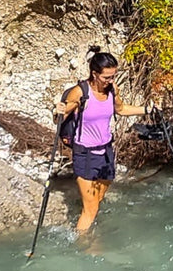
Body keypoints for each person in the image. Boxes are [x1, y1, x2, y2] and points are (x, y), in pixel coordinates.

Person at [56, 46, 151, 234]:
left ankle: (85, 229)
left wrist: (146, 109)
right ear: (94, 73)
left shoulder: (112, 90)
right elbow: (63, 113)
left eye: (113, 76)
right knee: (90, 209)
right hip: (85, 154)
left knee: (97, 200)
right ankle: (84, 246)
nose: (110, 81)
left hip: (106, 152)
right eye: (106, 77)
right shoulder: (80, 91)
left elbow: (121, 109)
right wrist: (58, 110)